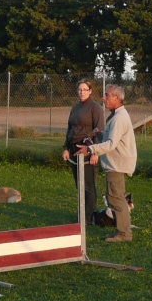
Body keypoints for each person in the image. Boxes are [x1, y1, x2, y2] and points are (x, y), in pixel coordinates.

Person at [76, 84, 137, 242]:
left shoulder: (119, 118)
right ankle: (123, 229)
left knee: (115, 199)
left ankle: (124, 233)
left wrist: (89, 150)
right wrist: (100, 133)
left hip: (117, 164)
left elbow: (111, 144)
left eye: (107, 95)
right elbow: (112, 137)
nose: (104, 98)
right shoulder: (117, 115)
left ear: (117, 98)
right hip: (116, 163)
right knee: (115, 198)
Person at [63, 80, 106, 224]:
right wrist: (66, 148)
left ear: (90, 91)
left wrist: (95, 152)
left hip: (88, 148)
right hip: (74, 148)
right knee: (79, 184)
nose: (82, 92)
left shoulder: (95, 108)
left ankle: (87, 217)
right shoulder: (75, 108)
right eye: (80, 89)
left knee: (88, 184)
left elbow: (100, 131)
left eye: (85, 89)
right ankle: (82, 214)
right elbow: (70, 129)